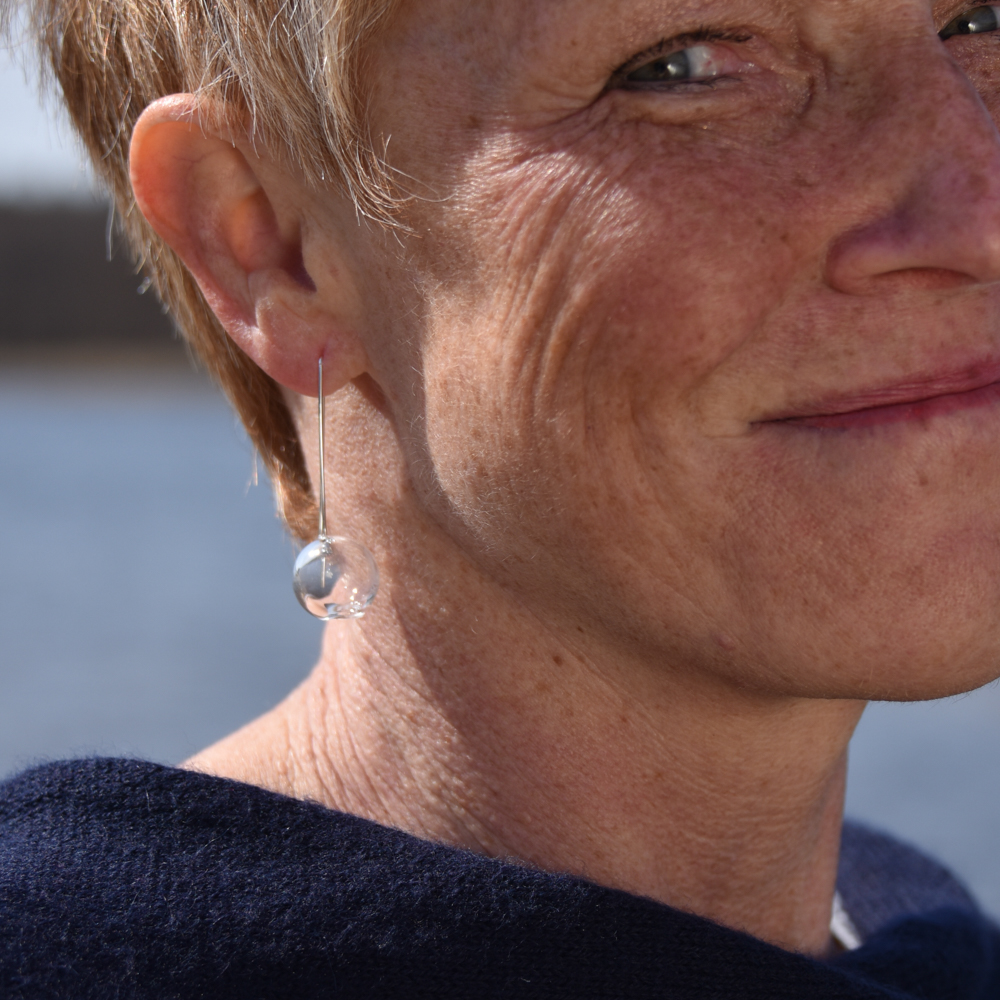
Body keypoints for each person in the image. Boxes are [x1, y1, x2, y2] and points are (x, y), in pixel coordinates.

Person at [3, 0, 1000, 994]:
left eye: (982, 23)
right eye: (682, 65)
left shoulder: (919, 934)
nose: (980, 212)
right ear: (267, 239)